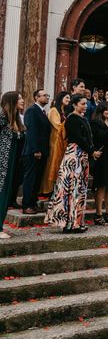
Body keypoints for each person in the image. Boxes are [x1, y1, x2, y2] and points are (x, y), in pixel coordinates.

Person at [45, 94, 101, 233]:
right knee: (72, 189)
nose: (85, 106)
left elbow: (87, 138)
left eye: (86, 104)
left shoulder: (83, 118)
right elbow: (77, 138)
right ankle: (69, 223)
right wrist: (92, 151)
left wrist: (91, 150)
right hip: (74, 155)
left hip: (82, 155)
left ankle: (76, 222)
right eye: (82, 103)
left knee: (79, 189)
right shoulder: (72, 118)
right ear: (75, 105)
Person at [0, 92, 26, 239]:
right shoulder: (2, 116)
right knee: (1, 194)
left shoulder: (16, 119)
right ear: (12, 101)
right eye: (19, 98)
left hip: (12, 163)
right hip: (2, 163)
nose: (22, 100)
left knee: (6, 194)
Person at [22, 89, 52, 214]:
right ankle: (27, 205)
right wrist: (36, 150)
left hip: (43, 151)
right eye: (44, 95)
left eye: (47, 95)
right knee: (30, 178)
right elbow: (32, 132)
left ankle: (33, 203)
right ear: (36, 97)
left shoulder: (43, 112)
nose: (47, 97)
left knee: (37, 179)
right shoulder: (32, 111)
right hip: (33, 151)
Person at [40, 91, 70, 197]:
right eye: (66, 97)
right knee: (51, 164)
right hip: (54, 141)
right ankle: (47, 189)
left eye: (69, 98)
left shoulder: (64, 111)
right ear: (60, 98)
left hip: (62, 142)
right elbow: (58, 125)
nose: (68, 100)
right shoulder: (53, 110)